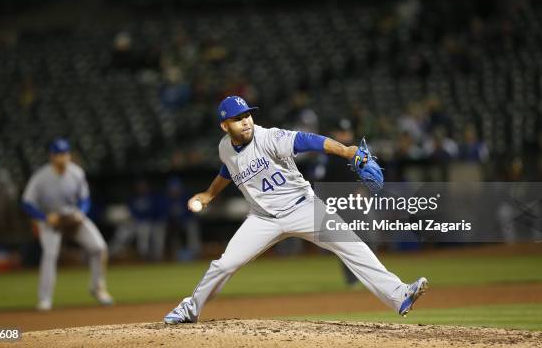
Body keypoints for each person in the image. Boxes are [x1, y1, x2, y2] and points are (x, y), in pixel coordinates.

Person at [163, 96, 427, 324]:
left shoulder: (270, 137)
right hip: (262, 219)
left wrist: (346, 150)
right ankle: (190, 309)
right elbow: (228, 169)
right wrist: (209, 193)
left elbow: (310, 141)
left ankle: (399, 294)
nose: (245, 121)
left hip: (304, 208)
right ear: (224, 125)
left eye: (247, 115)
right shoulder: (225, 148)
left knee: (352, 245)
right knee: (224, 264)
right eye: (237, 118)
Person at [22, 138, 113, 311]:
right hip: (51, 221)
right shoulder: (41, 177)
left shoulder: (76, 173)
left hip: (72, 218)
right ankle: (45, 299)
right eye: (59, 154)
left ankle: (98, 289)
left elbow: (85, 199)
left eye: (65, 154)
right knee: (50, 254)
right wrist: (43, 217)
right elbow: (26, 203)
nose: (62, 157)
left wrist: (80, 213)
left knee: (99, 248)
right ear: (52, 156)